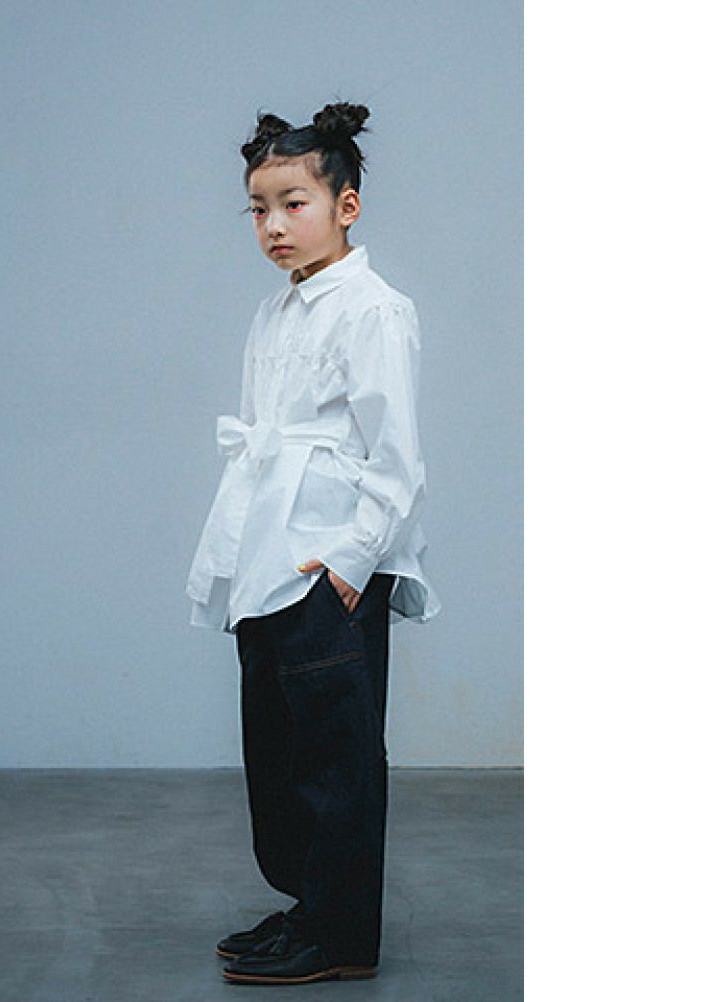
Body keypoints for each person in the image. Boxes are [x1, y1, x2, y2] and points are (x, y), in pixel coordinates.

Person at [185, 101, 442, 985]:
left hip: (327, 561)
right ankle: (309, 903)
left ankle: (341, 937)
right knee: (281, 745)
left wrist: (351, 562)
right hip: (270, 554)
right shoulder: (277, 312)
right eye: (258, 208)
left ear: (346, 205)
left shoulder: (374, 310)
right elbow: (264, 442)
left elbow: (396, 455)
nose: (274, 225)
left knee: (337, 754)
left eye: (294, 203)